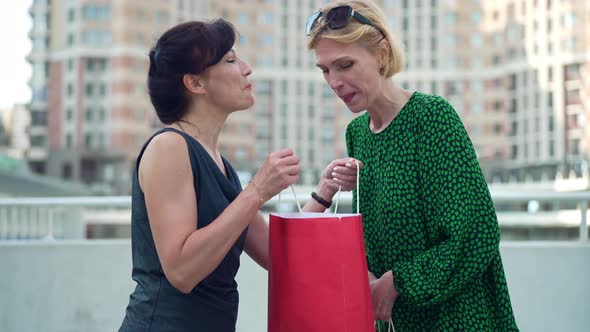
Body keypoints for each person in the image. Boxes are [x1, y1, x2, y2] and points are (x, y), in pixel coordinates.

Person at [118, 19, 361, 332]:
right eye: (231, 60)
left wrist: (324, 192)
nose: (247, 69)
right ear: (195, 83)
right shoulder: (169, 146)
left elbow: (275, 254)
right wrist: (258, 190)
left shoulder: (219, 163)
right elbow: (181, 271)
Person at [306, 1, 519, 331]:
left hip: (458, 319)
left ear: (382, 54)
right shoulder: (358, 133)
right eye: (325, 70)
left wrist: (394, 283)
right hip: (397, 323)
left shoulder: (432, 118)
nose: (334, 82)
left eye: (344, 65)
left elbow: (475, 234)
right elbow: (379, 240)